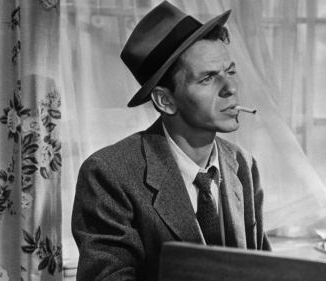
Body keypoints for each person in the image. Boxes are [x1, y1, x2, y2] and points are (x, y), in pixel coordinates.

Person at [72, 1, 271, 280]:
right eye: (208, 78)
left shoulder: (242, 165)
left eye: (231, 71)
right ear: (165, 100)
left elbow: (262, 271)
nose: (231, 88)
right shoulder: (109, 173)